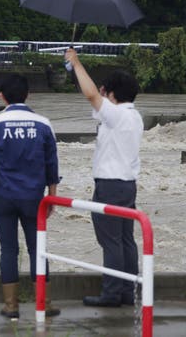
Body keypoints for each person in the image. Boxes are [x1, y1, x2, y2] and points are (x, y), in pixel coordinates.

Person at [0, 74, 60, 319]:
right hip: (33, 196)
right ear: (28, 95)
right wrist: (52, 195)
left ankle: (11, 307)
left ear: (3, 97)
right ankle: (45, 303)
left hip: (2, 195)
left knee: (8, 250)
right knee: (37, 249)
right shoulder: (43, 124)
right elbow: (52, 162)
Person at [65, 48, 143, 307]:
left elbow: (90, 95)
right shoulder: (133, 115)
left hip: (110, 185)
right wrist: (74, 70)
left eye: (105, 91)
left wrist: (76, 62)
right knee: (125, 240)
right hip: (127, 184)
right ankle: (127, 291)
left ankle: (111, 294)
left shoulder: (117, 114)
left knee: (110, 242)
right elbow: (91, 96)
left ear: (111, 94)